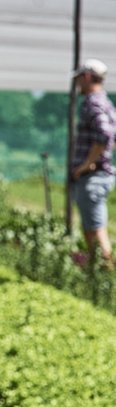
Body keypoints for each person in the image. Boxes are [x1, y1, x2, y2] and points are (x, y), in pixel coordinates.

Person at [70, 58, 116, 265]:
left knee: (95, 229)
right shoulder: (106, 102)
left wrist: (87, 164)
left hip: (93, 176)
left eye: (79, 78)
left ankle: (104, 274)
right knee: (93, 226)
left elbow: (105, 134)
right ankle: (96, 272)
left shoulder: (93, 102)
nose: (78, 83)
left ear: (87, 77)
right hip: (99, 174)